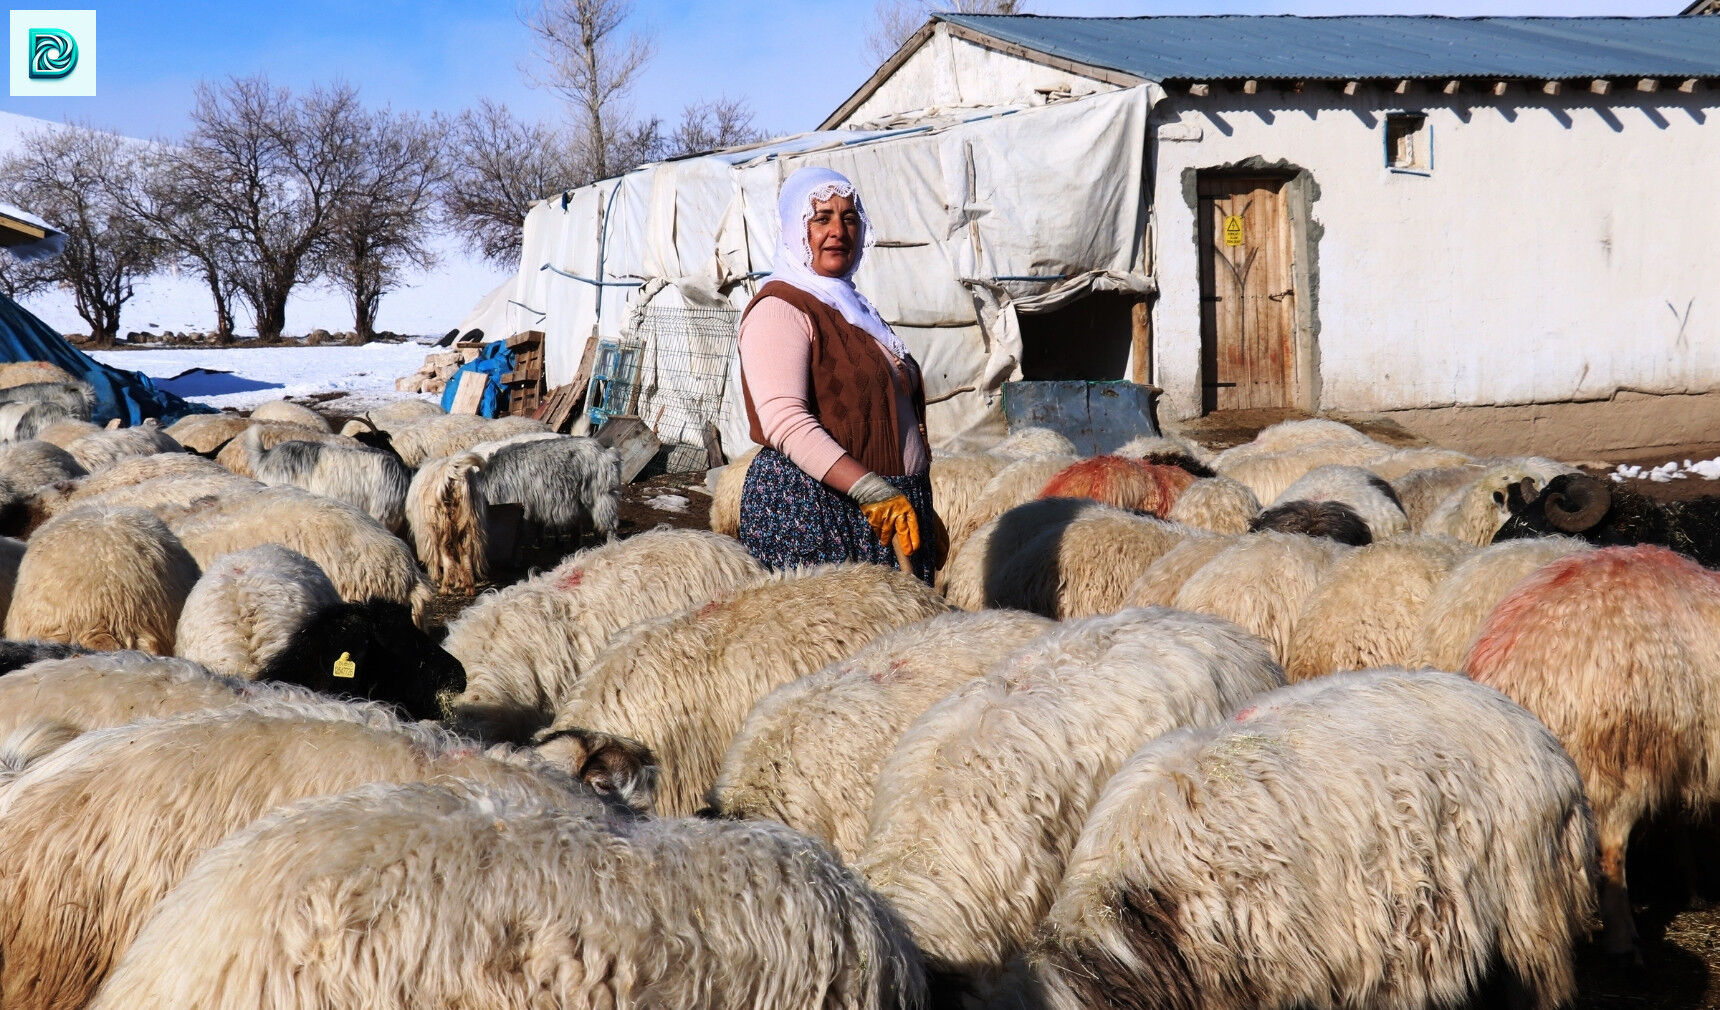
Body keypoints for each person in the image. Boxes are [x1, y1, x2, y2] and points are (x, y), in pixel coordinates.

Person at [735, 166, 937, 583]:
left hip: (882, 507)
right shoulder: (781, 308)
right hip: (818, 510)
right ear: (795, 230)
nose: (838, 231)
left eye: (849, 218)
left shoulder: (853, 309)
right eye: (821, 218)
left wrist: (919, 506)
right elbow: (784, 421)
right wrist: (869, 488)